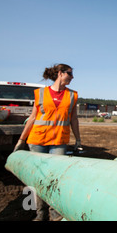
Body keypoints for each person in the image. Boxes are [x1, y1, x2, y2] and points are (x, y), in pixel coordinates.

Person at [14, 63, 82, 220]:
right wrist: (21, 140)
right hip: (37, 140)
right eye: (70, 74)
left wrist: (78, 139)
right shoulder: (40, 93)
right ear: (60, 73)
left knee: (56, 177)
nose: (72, 77)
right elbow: (32, 118)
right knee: (39, 178)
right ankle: (40, 213)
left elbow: (74, 119)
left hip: (59, 141)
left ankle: (55, 214)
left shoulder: (73, 95)